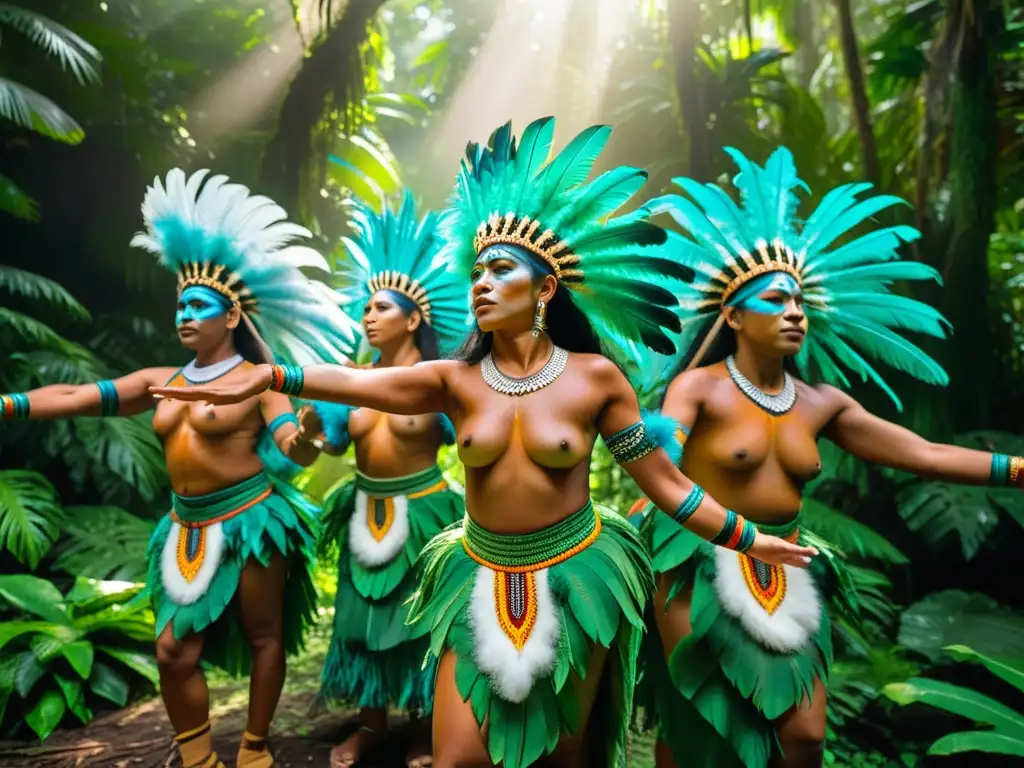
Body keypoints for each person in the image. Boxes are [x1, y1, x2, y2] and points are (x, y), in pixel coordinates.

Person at [149, 117, 817, 768]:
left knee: (565, 753)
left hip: (578, 572)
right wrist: (268, 375)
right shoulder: (455, 380)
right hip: (476, 568)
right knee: (458, 755)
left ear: (546, 288)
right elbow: (355, 381)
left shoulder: (597, 380)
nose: (481, 284)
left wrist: (747, 538)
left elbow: (667, 486)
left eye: (499, 270)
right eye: (476, 272)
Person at [626, 146, 1024, 768]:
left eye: (800, 303)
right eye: (776, 301)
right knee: (701, 723)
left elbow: (921, 454)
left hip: (788, 559)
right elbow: (662, 452)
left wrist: (1018, 469)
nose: (793, 313)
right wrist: (660, 452)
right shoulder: (698, 388)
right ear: (732, 314)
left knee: (805, 735)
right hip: (694, 557)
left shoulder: (821, 403)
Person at [0, 169, 359, 768]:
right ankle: (199, 760)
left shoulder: (257, 382)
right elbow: (72, 397)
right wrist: (6, 404)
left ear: (232, 317)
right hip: (184, 526)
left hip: (250, 519)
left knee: (264, 634)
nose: (184, 315)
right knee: (172, 650)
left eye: (199, 305)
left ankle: (254, 747)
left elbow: (291, 445)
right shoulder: (158, 383)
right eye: (180, 304)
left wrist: (315, 434)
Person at [310, 191, 469, 768]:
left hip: (427, 510)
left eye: (380, 307)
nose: (368, 316)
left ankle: (432, 729)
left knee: (426, 622)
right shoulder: (349, 381)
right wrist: (305, 429)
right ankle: (373, 726)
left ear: (414, 317)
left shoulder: (441, 382)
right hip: (363, 511)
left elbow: (478, 444)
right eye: (366, 309)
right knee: (363, 621)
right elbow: (319, 448)